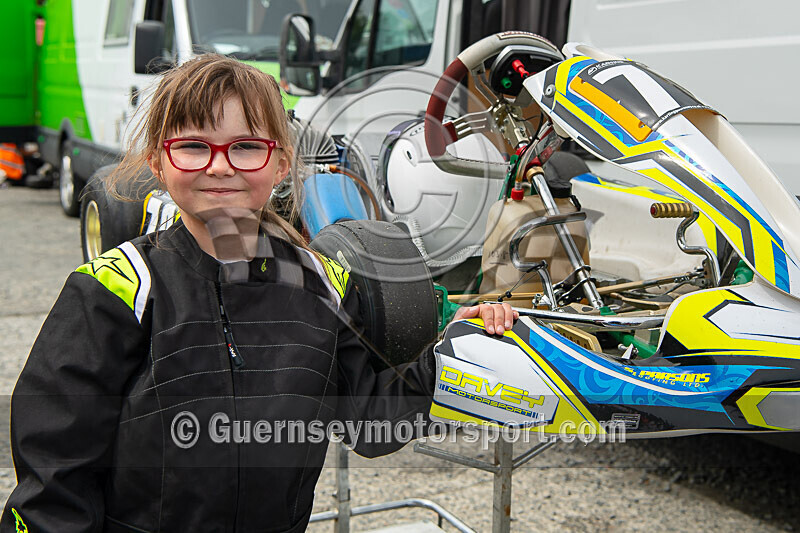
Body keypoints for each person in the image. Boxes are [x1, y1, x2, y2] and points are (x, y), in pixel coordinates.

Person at [1, 54, 516, 532]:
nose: (220, 165)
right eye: (193, 145)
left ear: (280, 163)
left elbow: (370, 423)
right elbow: (54, 468)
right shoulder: (117, 288)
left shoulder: (324, 285)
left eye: (246, 146)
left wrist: (455, 351)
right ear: (159, 162)